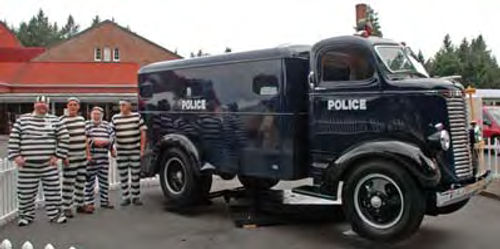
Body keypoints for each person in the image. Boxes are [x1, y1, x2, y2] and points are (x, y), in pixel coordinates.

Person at [8, 96, 69, 226]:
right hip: (27, 165)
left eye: (45, 103)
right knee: (25, 193)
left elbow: (64, 138)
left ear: (48, 106)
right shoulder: (22, 120)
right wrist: (16, 156)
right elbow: (14, 138)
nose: (43, 105)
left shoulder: (55, 120)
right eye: (40, 103)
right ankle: (26, 216)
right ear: (35, 104)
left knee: (53, 192)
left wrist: (57, 155)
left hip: (48, 164)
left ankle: (56, 215)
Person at [111, 99, 147, 206]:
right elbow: (111, 134)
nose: (121, 107)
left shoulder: (137, 116)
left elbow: (143, 132)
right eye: (120, 105)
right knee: (123, 175)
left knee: (135, 175)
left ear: (129, 106)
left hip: (134, 149)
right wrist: (111, 148)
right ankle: (125, 197)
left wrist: (142, 149)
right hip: (121, 150)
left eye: (124, 105)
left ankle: (136, 197)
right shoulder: (115, 118)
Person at [58, 97, 89, 217]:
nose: (73, 106)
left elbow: (84, 137)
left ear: (78, 107)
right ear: (67, 106)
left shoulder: (81, 120)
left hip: (81, 156)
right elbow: (59, 139)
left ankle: (80, 204)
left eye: (75, 105)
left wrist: (87, 153)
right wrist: (63, 156)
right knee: (68, 183)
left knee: (81, 182)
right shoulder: (61, 120)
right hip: (70, 156)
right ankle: (66, 207)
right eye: (70, 104)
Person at [84, 106, 116, 211]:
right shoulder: (87, 125)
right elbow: (85, 139)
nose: (96, 116)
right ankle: (89, 203)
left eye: (98, 114)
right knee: (89, 183)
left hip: (103, 159)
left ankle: (104, 201)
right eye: (94, 114)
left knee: (104, 182)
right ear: (91, 115)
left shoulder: (107, 125)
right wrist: (95, 142)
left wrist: (106, 143)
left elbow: (112, 137)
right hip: (91, 159)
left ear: (102, 115)